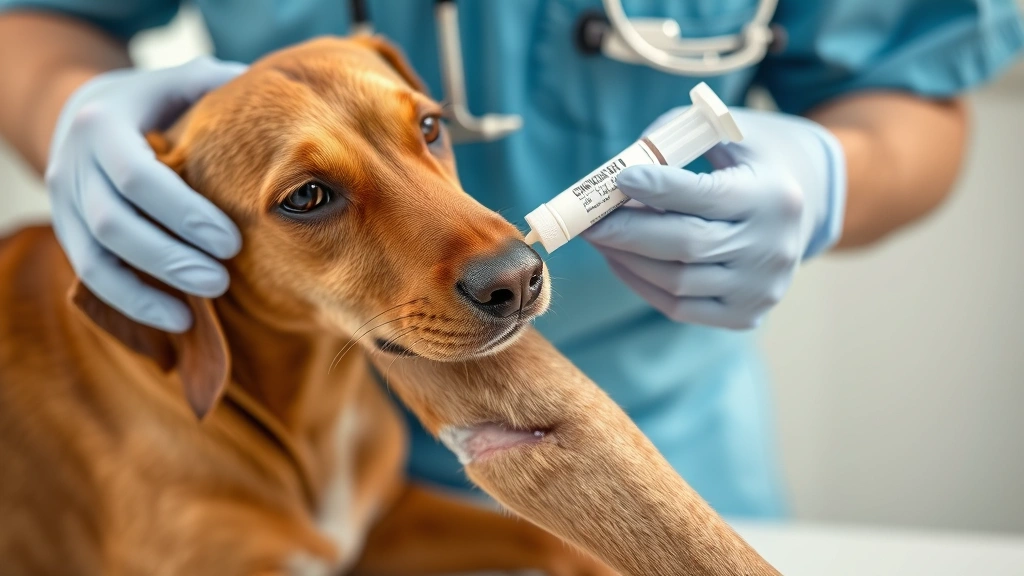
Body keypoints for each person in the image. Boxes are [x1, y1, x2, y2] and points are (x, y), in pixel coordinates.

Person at [0, 0, 1020, 519]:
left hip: (656, 424)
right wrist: (66, 106)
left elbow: (911, 81)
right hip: (307, 442)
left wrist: (833, 174)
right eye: (312, 197)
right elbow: (40, 18)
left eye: (426, 130)